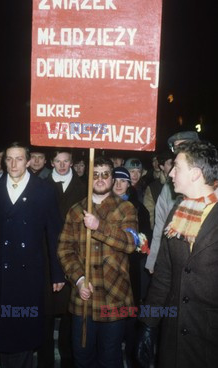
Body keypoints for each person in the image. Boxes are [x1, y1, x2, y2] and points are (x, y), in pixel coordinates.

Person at [137, 140, 218, 368]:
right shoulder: (176, 215)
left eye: (177, 167)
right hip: (174, 337)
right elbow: (163, 276)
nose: (169, 174)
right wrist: (148, 324)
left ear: (196, 174)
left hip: (214, 340)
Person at [0, 142, 65, 368]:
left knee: (24, 330)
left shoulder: (44, 190)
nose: (13, 164)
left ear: (28, 161)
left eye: (19, 158)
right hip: (1, 271)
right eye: (9, 159)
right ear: (4, 162)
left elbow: (54, 234)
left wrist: (57, 273)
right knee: (3, 329)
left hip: (30, 271)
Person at [57, 157, 138, 368]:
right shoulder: (75, 210)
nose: (100, 179)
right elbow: (65, 250)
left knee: (110, 358)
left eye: (105, 175)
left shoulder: (126, 208)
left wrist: (99, 226)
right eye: (95, 174)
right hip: (84, 297)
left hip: (115, 295)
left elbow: (130, 243)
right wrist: (79, 279)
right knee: (82, 357)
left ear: (112, 179)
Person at [145, 130, 218, 273]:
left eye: (183, 147)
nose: (179, 152)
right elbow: (161, 226)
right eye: (175, 149)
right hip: (176, 260)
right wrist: (153, 262)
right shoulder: (170, 187)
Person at [38, 150, 86, 368]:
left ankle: (68, 359)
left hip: (73, 255)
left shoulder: (83, 187)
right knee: (45, 311)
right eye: (58, 161)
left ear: (72, 163)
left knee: (70, 311)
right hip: (46, 256)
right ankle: (45, 361)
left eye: (66, 161)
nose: (62, 165)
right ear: (52, 162)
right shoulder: (40, 185)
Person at [112, 166, 151, 368]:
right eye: (115, 180)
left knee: (129, 319)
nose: (118, 184)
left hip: (130, 270)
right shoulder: (101, 204)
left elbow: (145, 242)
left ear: (129, 183)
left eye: (123, 180)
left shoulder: (139, 208)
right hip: (107, 271)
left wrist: (137, 243)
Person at [143, 151, 174, 229]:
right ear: (162, 167)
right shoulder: (153, 188)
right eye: (171, 164)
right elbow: (150, 217)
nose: (174, 167)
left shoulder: (184, 184)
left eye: (175, 164)